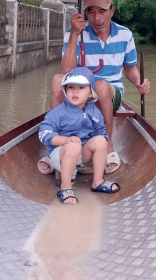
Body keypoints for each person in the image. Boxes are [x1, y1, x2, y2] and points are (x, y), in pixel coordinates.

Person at [50, 0, 150, 175]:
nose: (96, 18)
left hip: (111, 93)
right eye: (90, 11)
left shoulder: (125, 35)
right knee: (57, 81)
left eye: (102, 11)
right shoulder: (75, 33)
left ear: (112, 11)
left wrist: (139, 82)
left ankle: (108, 145)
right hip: (80, 92)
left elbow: (130, 68)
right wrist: (73, 35)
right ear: (85, 13)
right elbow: (66, 72)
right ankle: (56, 146)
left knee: (102, 86)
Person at [39, 67, 120, 204]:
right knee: (73, 146)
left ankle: (97, 181)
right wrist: (65, 140)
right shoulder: (58, 113)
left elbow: (100, 131)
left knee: (101, 140)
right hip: (61, 154)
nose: (75, 91)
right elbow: (44, 134)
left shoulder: (94, 112)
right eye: (70, 87)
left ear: (90, 93)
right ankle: (65, 188)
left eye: (81, 88)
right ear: (65, 91)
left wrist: (99, 143)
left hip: (82, 154)